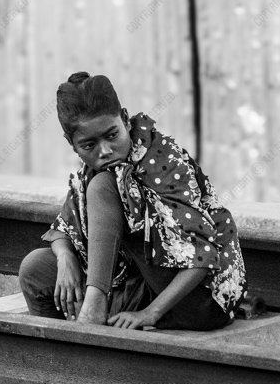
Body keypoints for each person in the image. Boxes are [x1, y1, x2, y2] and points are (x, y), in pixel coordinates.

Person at [18, 72, 247, 330]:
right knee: (35, 269)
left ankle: (94, 308)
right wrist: (64, 259)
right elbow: (63, 227)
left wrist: (150, 313)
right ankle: (62, 358)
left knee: (103, 186)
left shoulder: (163, 162)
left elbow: (204, 255)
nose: (104, 151)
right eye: (88, 145)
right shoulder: (93, 171)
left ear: (125, 120)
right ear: (72, 144)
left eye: (112, 135)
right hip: (138, 284)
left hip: (198, 299)